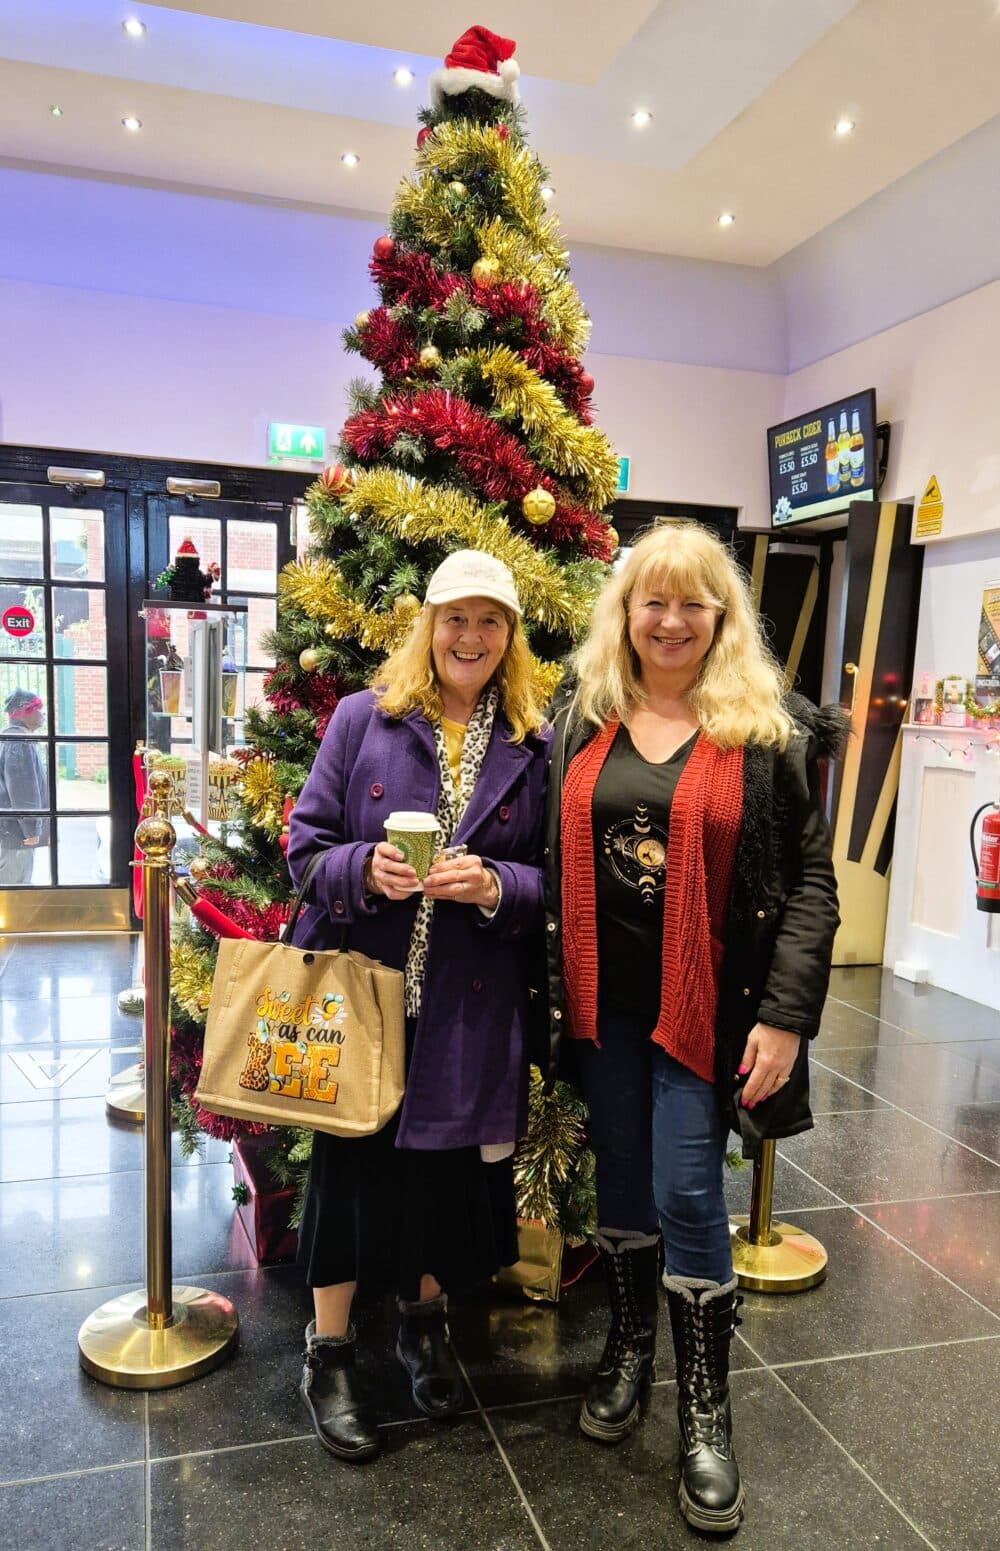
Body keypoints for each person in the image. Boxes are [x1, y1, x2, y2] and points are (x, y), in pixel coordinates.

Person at [543, 522, 844, 1535]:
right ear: (623, 615)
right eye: (651, 602)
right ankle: (629, 1346)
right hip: (600, 1006)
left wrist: (786, 1020)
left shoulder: (770, 730)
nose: (669, 621)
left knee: (684, 1187)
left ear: (722, 617)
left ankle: (705, 1413)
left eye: (691, 603)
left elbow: (809, 889)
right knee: (621, 1179)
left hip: (708, 1010)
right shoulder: (579, 714)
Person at [287, 549, 550, 1463]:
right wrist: (362, 868)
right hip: (366, 996)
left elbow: (551, 881)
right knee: (347, 1175)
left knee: (442, 1176)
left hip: (468, 1008)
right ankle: (329, 1354)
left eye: (488, 621)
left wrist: (495, 885)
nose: (469, 637)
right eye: (454, 618)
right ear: (426, 626)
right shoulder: (366, 719)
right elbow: (306, 844)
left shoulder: (531, 743)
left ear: (509, 637)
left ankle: (423, 1326)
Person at [0, 690, 49, 886]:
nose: (43, 714)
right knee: (15, 888)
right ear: (25, 713)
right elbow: (23, 790)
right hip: (16, 834)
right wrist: (31, 829)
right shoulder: (19, 742)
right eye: (39, 709)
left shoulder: (12, 739)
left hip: (12, 831)